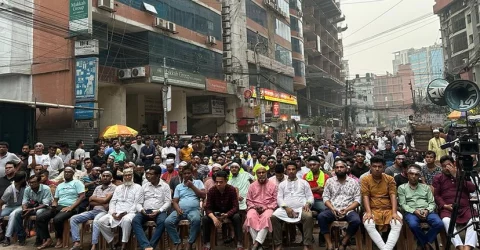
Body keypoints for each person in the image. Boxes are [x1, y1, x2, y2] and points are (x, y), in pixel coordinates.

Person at [433, 155, 477, 249]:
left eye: (449, 165)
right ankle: (460, 246)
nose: (446, 168)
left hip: (465, 207)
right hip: (448, 208)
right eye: (444, 166)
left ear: (453, 164)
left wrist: (456, 176)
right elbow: (437, 195)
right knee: (446, 221)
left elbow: (472, 188)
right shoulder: (438, 178)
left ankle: (468, 246)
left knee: (475, 220)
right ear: (441, 167)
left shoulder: (462, 174)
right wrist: (444, 205)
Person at [37, 166, 85, 249]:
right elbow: (55, 199)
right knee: (40, 217)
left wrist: (71, 207)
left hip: (72, 207)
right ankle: (48, 239)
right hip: (59, 206)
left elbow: (82, 196)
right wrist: (54, 205)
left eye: (69, 172)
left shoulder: (77, 183)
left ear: (73, 173)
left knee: (57, 219)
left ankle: (60, 238)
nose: (67, 173)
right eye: (65, 171)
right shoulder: (60, 185)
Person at [317, 159, 361, 250]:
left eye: (341, 167)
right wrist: (332, 208)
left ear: (346, 169)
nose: (339, 169)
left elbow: (357, 199)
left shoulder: (354, 182)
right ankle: (329, 244)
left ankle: (344, 241)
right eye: (337, 167)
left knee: (356, 221)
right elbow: (325, 197)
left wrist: (347, 210)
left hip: (349, 210)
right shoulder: (330, 181)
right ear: (334, 170)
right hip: (332, 209)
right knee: (321, 217)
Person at [361, 156, 402, 250]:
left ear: (384, 167)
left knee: (397, 222)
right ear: (370, 167)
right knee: (368, 223)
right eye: (374, 166)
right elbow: (365, 196)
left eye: (380, 166)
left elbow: (393, 195)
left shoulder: (390, 179)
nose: (377, 169)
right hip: (373, 209)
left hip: (388, 209)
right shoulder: (365, 179)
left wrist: (394, 212)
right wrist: (368, 212)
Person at [271, 162, 314, 250]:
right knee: (274, 217)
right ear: (286, 171)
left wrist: (308, 203)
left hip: (301, 209)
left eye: (293, 169)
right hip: (285, 210)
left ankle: (307, 244)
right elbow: (279, 198)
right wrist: (286, 208)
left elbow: (310, 196)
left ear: (296, 170)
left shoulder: (304, 182)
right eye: (289, 169)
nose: (291, 171)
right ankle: (278, 243)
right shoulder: (282, 184)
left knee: (309, 216)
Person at [398, 165, 443, 250]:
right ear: (407, 174)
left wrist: (427, 210)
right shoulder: (402, 188)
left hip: (427, 211)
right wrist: (415, 211)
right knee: (413, 225)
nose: (413, 176)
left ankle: (423, 243)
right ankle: (427, 245)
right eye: (411, 174)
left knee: (439, 223)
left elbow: (432, 203)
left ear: (419, 176)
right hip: (411, 212)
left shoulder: (425, 187)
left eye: (416, 174)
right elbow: (403, 204)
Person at [69, 170, 116, 250]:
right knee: (73, 218)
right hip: (94, 211)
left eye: (107, 176)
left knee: (96, 221)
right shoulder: (98, 187)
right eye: (103, 176)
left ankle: (94, 245)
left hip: (105, 212)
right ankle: (77, 243)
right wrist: (102, 202)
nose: (105, 177)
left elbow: (105, 201)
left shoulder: (114, 187)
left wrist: (96, 199)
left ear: (111, 178)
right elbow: (91, 202)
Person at [98, 168, 143, 250]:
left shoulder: (138, 187)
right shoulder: (118, 188)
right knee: (101, 221)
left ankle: (123, 244)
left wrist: (126, 212)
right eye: (125, 175)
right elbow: (113, 202)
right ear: (123, 177)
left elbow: (137, 203)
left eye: (129, 175)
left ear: (132, 176)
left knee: (126, 220)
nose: (127, 177)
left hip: (130, 212)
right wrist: (113, 213)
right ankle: (111, 241)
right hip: (116, 212)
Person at [165, 163, 206, 250]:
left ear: (192, 173)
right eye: (185, 173)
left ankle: (190, 242)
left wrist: (192, 186)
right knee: (168, 222)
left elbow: (203, 195)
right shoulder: (179, 186)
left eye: (188, 173)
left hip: (194, 210)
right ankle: (177, 242)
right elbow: (175, 201)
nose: (187, 175)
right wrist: (178, 209)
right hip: (180, 210)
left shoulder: (198, 182)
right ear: (182, 174)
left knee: (196, 220)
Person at [132, 166, 171, 250]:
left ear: (158, 176)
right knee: (135, 220)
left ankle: (151, 246)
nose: (148, 176)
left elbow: (168, 202)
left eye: (151, 174)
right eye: (148, 174)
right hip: (145, 211)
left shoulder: (165, 186)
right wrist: (142, 210)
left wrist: (159, 211)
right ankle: (146, 245)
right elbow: (138, 203)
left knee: (163, 221)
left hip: (159, 211)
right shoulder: (144, 186)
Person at [203, 170, 242, 250]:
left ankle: (239, 243)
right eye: (217, 182)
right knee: (205, 219)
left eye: (221, 182)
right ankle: (207, 243)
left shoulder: (231, 190)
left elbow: (235, 207)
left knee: (237, 217)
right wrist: (214, 218)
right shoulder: (212, 191)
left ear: (226, 181)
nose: (218, 184)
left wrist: (227, 214)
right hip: (215, 213)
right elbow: (208, 208)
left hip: (228, 212)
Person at [244, 166, 277, 250]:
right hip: (254, 207)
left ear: (266, 173)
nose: (261, 174)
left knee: (267, 217)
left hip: (268, 207)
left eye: (263, 172)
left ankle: (256, 244)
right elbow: (248, 200)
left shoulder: (273, 185)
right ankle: (259, 245)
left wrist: (266, 207)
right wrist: (254, 207)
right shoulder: (252, 185)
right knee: (250, 217)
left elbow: (275, 200)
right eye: (259, 173)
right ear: (256, 174)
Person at [0, 171, 27, 247]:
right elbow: (1, 202)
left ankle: (7, 237)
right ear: (22, 179)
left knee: (13, 215)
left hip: (21, 206)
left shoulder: (26, 186)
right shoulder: (9, 190)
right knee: (1, 215)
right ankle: (2, 233)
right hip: (9, 206)